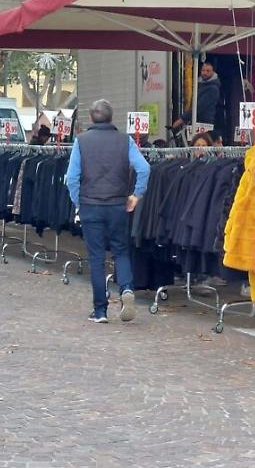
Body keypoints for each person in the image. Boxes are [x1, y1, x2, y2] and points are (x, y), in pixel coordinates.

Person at [66, 99, 151, 323]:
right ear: (112, 118)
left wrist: (78, 202)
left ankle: (100, 311)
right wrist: (136, 194)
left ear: (91, 118)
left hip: (90, 205)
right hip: (117, 205)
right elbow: (144, 168)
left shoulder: (81, 141)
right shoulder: (125, 141)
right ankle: (127, 289)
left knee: (96, 258)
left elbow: (72, 178)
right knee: (121, 251)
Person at [172, 61, 222, 132]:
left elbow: (199, 107)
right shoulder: (199, 84)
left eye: (208, 71)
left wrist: (182, 119)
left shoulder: (213, 88)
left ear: (213, 72)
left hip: (204, 123)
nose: (205, 73)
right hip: (196, 121)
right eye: (203, 70)